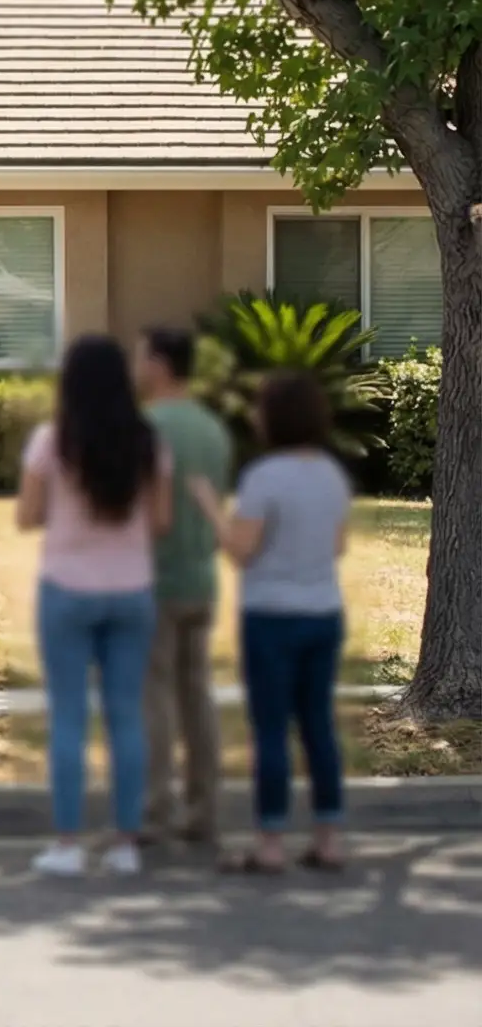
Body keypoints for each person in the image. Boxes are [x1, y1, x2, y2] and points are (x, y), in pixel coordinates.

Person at [17, 334, 174, 878]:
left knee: (69, 719)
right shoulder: (148, 442)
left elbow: (28, 516)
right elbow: (160, 522)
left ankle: (67, 843)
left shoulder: (52, 441)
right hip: (132, 591)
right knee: (125, 716)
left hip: (66, 589)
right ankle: (126, 844)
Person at [216, 370, 352, 875]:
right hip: (323, 613)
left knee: (271, 728)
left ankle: (270, 843)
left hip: (271, 616)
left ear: (274, 418)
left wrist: (213, 511)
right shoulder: (331, 476)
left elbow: (241, 551)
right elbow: (337, 545)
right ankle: (329, 838)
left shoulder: (263, 478)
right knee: (318, 725)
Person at [135, 327, 230, 849]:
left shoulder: (147, 427)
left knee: (155, 697)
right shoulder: (212, 430)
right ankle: (205, 810)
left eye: (141, 355)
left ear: (160, 364)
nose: (136, 364)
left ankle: (156, 811)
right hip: (201, 579)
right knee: (198, 697)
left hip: (156, 580)